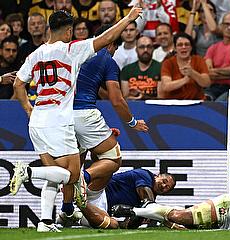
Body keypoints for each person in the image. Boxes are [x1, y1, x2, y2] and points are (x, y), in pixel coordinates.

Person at [10, 7, 143, 232]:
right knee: (71, 175)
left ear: (48, 29)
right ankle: (27, 172)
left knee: (53, 174)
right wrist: (128, 18)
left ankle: (45, 222)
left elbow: (18, 84)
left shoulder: (34, 54)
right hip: (58, 121)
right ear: (69, 31)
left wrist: (28, 109)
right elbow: (107, 38)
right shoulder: (72, 49)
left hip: (37, 121)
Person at [57, 23, 149, 223]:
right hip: (84, 112)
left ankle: (66, 212)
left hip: (61, 115)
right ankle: (85, 180)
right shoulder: (107, 60)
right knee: (113, 157)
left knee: (75, 163)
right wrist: (132, 122)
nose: (115, 51)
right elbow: (117, 100)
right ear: (110, 42)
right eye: (115, 47)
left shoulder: (73, 50)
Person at [62, 169, 176, 229]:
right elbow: (147, 202)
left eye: (167, 188)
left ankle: (74, 213)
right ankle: (79, 177)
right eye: (164, 181)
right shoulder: (145, 175)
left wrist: (135, 220)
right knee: (111, 166)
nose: (164, 186)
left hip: (100, 211)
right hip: (99, 192)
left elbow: (127, 225)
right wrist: (165, 219)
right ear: (158, 175)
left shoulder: (150, 204)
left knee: (114, 225)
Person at [204, 12, 230, 101]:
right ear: (221, 26)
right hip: (212, 87)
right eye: (226, 24)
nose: (229, 27)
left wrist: (216, 71)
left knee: (218, 105)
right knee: (203, 102)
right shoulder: (213, 48)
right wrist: (229, 73)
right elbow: (207, 72)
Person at [159, 32, 211, 100]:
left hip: (196, 101)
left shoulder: (199, 60)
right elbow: (166, 86)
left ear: (191, 47)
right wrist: (185, 80)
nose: (184, 47)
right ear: (175, 48)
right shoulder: (168, 63)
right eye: (180, 45)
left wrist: (192, 73)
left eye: (187, 44)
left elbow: (206, 83)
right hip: (174, 102)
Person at [120, 35, 162, 100]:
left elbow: (161, 98)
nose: (145, 50)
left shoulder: (161, 68)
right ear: (136, 50)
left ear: (153, 49)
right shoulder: (126, 70)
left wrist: (144, 97)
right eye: (142, 47)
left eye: (149, 47)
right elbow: (125, 97)